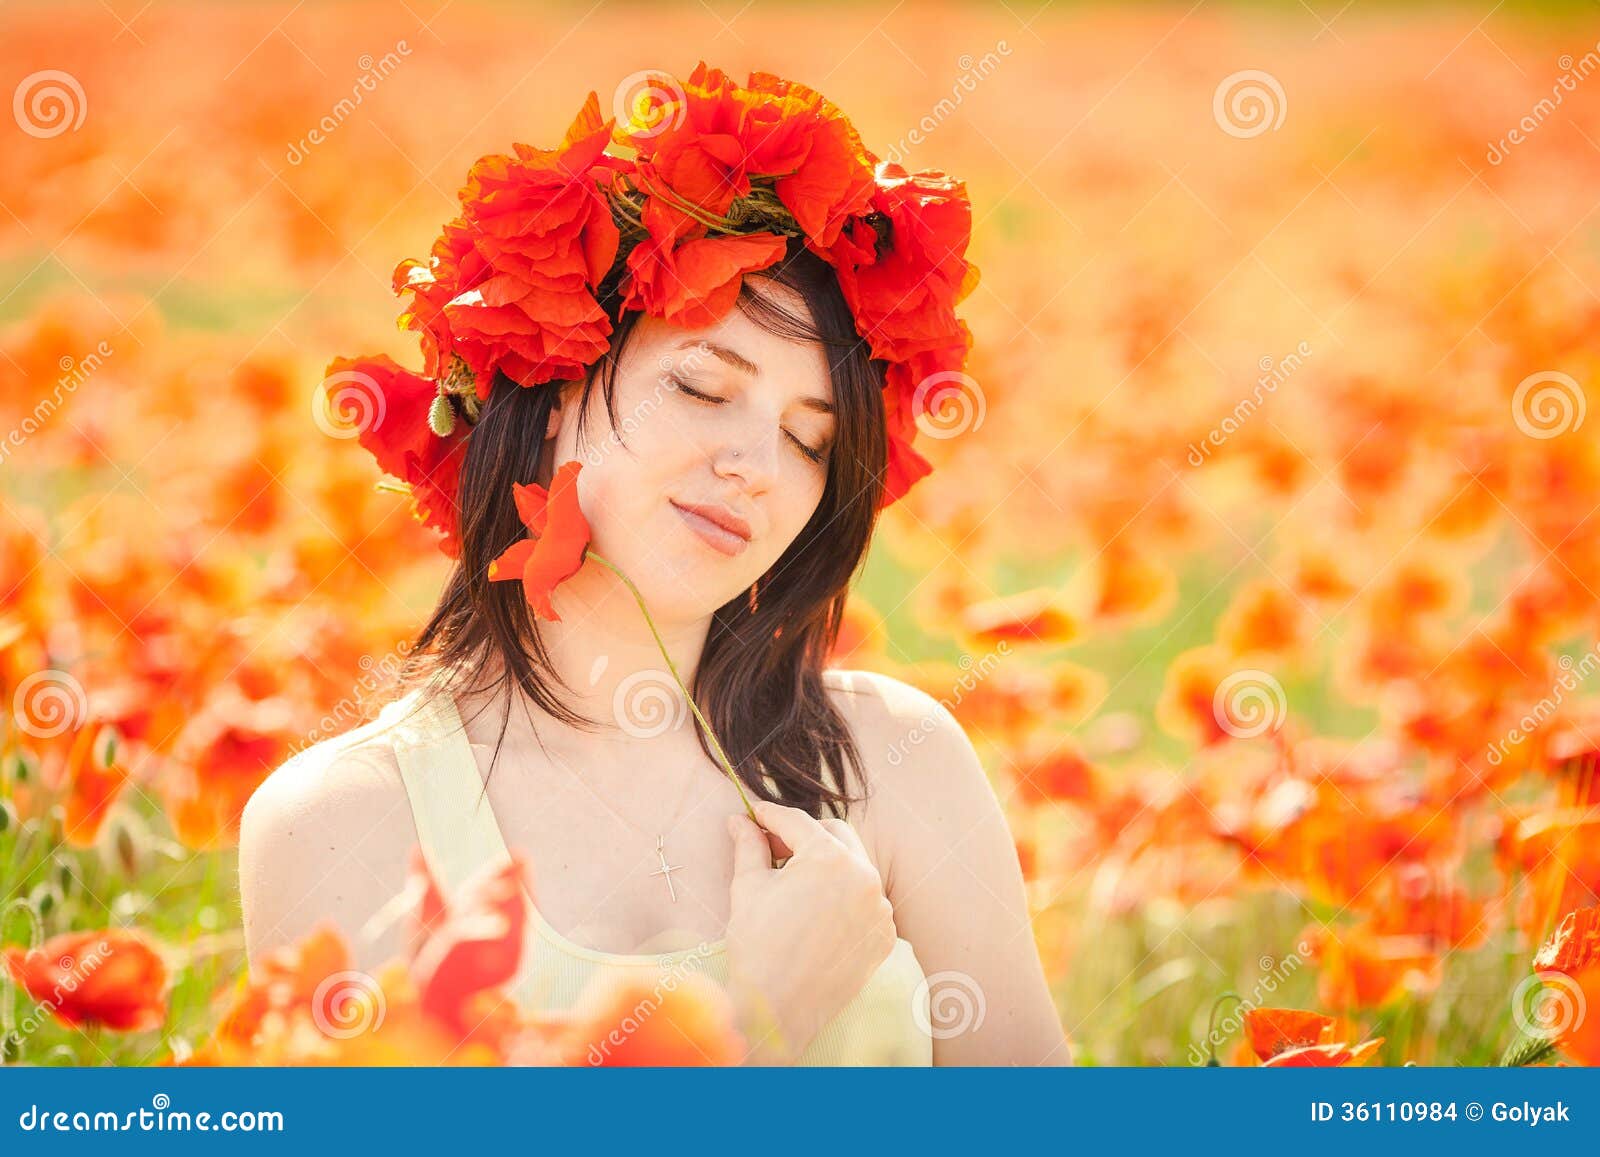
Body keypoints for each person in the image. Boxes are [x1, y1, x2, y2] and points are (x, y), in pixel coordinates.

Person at [240, 64, 1069, 1065]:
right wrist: (758, 1034)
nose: (755, 467)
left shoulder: (895, 763)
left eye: (810, 441)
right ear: (551, 387)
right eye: (702, 387)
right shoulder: (343, 822)